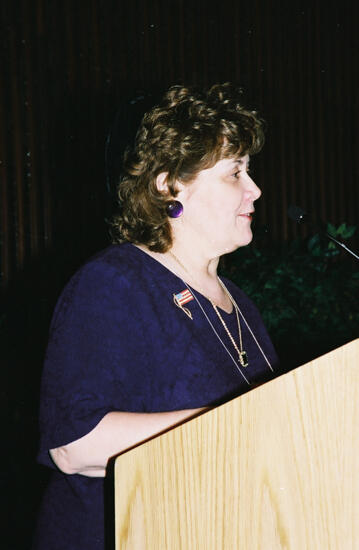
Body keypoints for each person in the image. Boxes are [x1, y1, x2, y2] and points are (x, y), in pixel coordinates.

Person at [33, 83, 279, 549]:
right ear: (169, 184)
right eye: (235, 173)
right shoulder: (116, 282)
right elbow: (74, 446)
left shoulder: (241, 305)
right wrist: (233, 425)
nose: (255, 189)